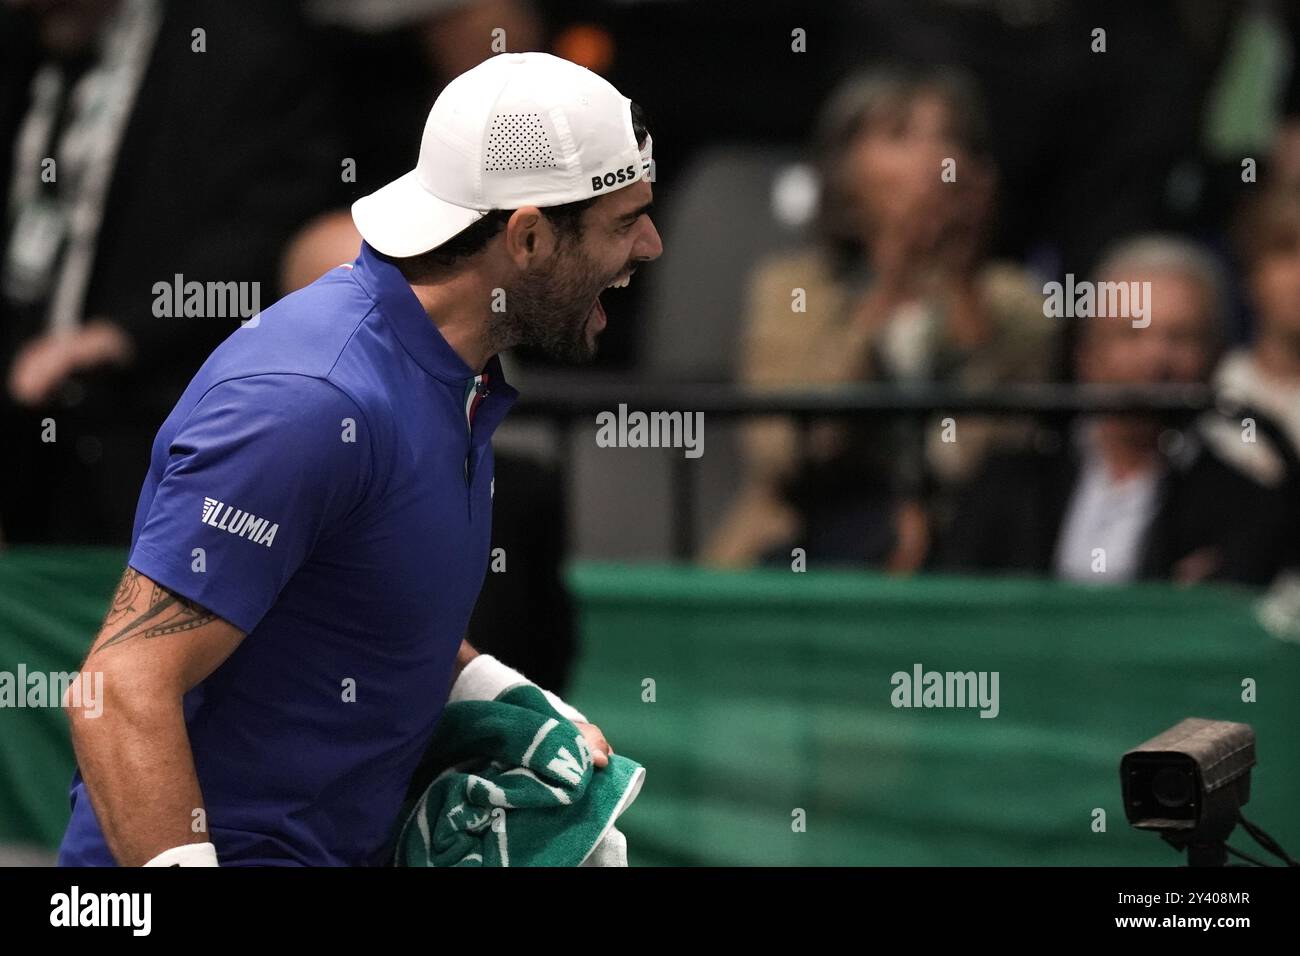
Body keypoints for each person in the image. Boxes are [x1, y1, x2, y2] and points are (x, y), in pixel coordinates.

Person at [58, 52, 662, 866]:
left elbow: (355, 598)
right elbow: (120, 689)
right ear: (526, 236)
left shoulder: (454, 375)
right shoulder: (310, 400)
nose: (652, 246)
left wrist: (507, 697)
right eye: (625, 222)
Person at [703, 66, 1054, 571]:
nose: (937, 158)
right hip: (803, 548)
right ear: (844, 174)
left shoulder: (1013, 302)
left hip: (962, 557)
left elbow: (998, 458)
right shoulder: (791, 289)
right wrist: (889, 289)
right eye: (901, 136)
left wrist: (965, 290)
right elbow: (780, 452)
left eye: (951, 137)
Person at [939, 235, 1300, 586]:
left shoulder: (1246, 508)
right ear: (1087, 354)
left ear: (1216, 357)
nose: (1156, 360)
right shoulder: (1012, 485)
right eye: (1131, 334)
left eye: (1181, 337)